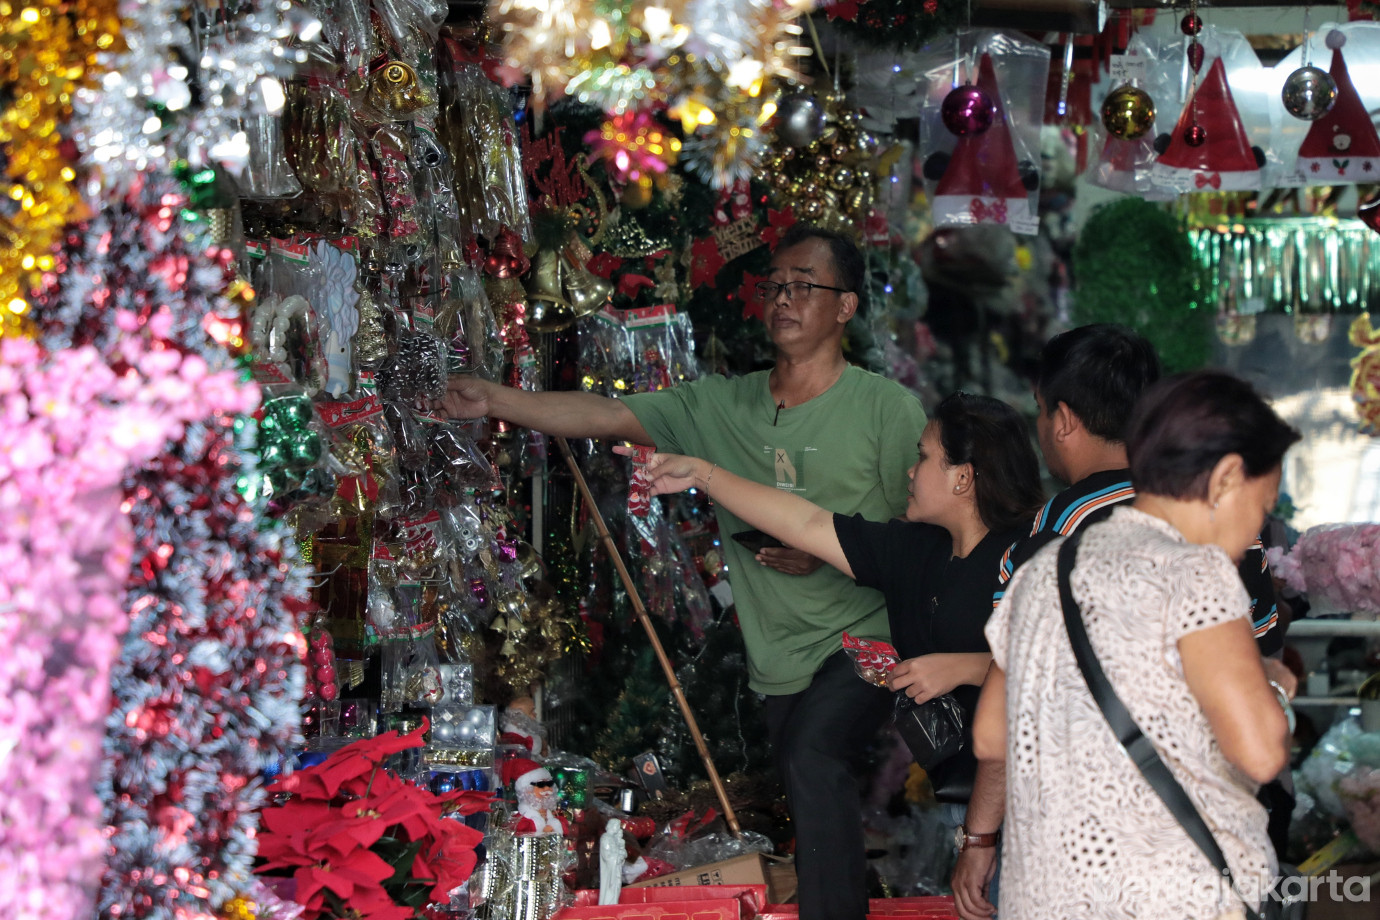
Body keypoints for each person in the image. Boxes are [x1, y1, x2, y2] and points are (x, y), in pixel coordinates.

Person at [441, 224, 928, 920]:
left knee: (816, 759)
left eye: (804, 286)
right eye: (774, 286)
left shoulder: (887, 409)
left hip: (866, 639)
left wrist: (833, 550)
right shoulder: (721, 407)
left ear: (845, 307)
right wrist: (495, 400)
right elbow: (609, 413)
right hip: (781, 658)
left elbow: (924, 533)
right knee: (810, 779)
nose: (784, 299)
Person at [952, 325, 1292, 920]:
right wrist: (1274, 693)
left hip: (1049, 891)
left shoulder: (1039, 565)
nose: (1255, 526)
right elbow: (1259, 751)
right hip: (1170, 890)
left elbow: (990, 735)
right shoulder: (1197, 570)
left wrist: (980, 839)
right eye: (1260, 505)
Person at [636, 392, 1044, 887]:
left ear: (963, 476)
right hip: (970, 803)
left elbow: (1062, 667)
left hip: (1040, 806)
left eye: (923, 457)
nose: (910, 473)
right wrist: (704, 474)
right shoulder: (914, 551)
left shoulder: (1030, 554)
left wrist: (964, 667)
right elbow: (805, 522)